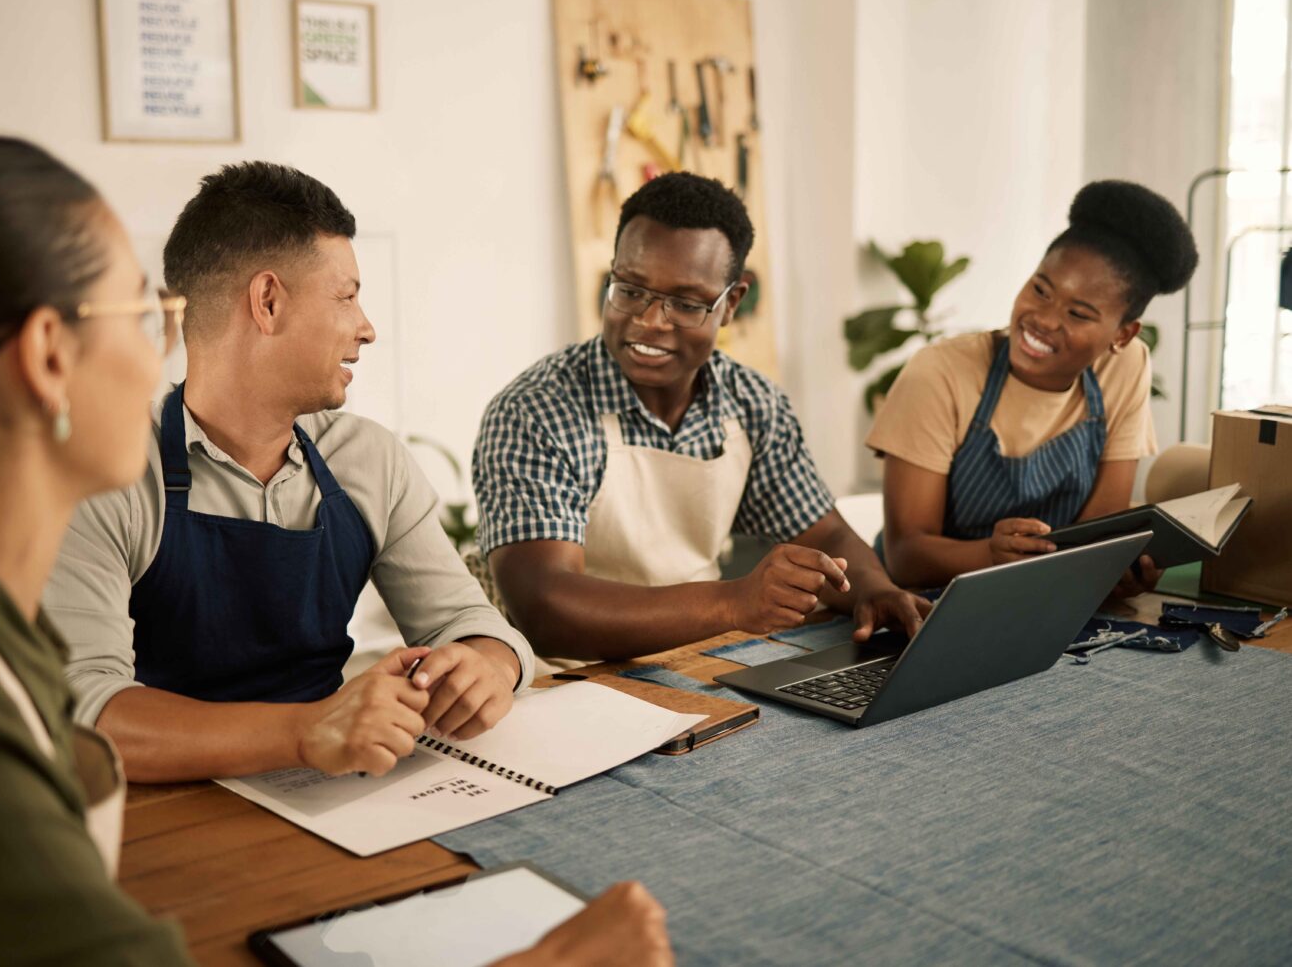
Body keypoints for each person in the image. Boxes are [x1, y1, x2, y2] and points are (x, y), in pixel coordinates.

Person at [0, 137, 670, 967]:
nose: (162, 352)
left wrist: (480, 661)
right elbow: (83, 724)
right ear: (47, 359)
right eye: (141, 314)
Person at [42, 162, 535, 784]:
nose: (367, 328)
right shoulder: (104, 471)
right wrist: (305, 732)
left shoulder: (369, 459)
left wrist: (487, 666)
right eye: (347, 296)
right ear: (268, 301)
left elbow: (469, 624)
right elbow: (84, 710)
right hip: (163, 809)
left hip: (336, 795)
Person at [472, 172, 928, 662]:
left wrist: (872, 590)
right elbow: (546, 609)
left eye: (686, 304)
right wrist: (733, 604)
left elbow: (827, 536)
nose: (649, 320)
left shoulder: (752, 404)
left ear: (731, 303)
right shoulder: (536, 411)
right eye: (630, 290)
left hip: (699, 663)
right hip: (564, 680)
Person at [867, 180, 1198, 592]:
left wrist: (1115, 568)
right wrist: (990, 555)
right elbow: (905, 558)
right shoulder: (941, 373)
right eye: (1041, 290)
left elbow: (1097, 532)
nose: (1043, 319)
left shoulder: (1124, 368)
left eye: (1078, 313)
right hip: (926, 603)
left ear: (1123, 335)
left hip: (1047, 593)